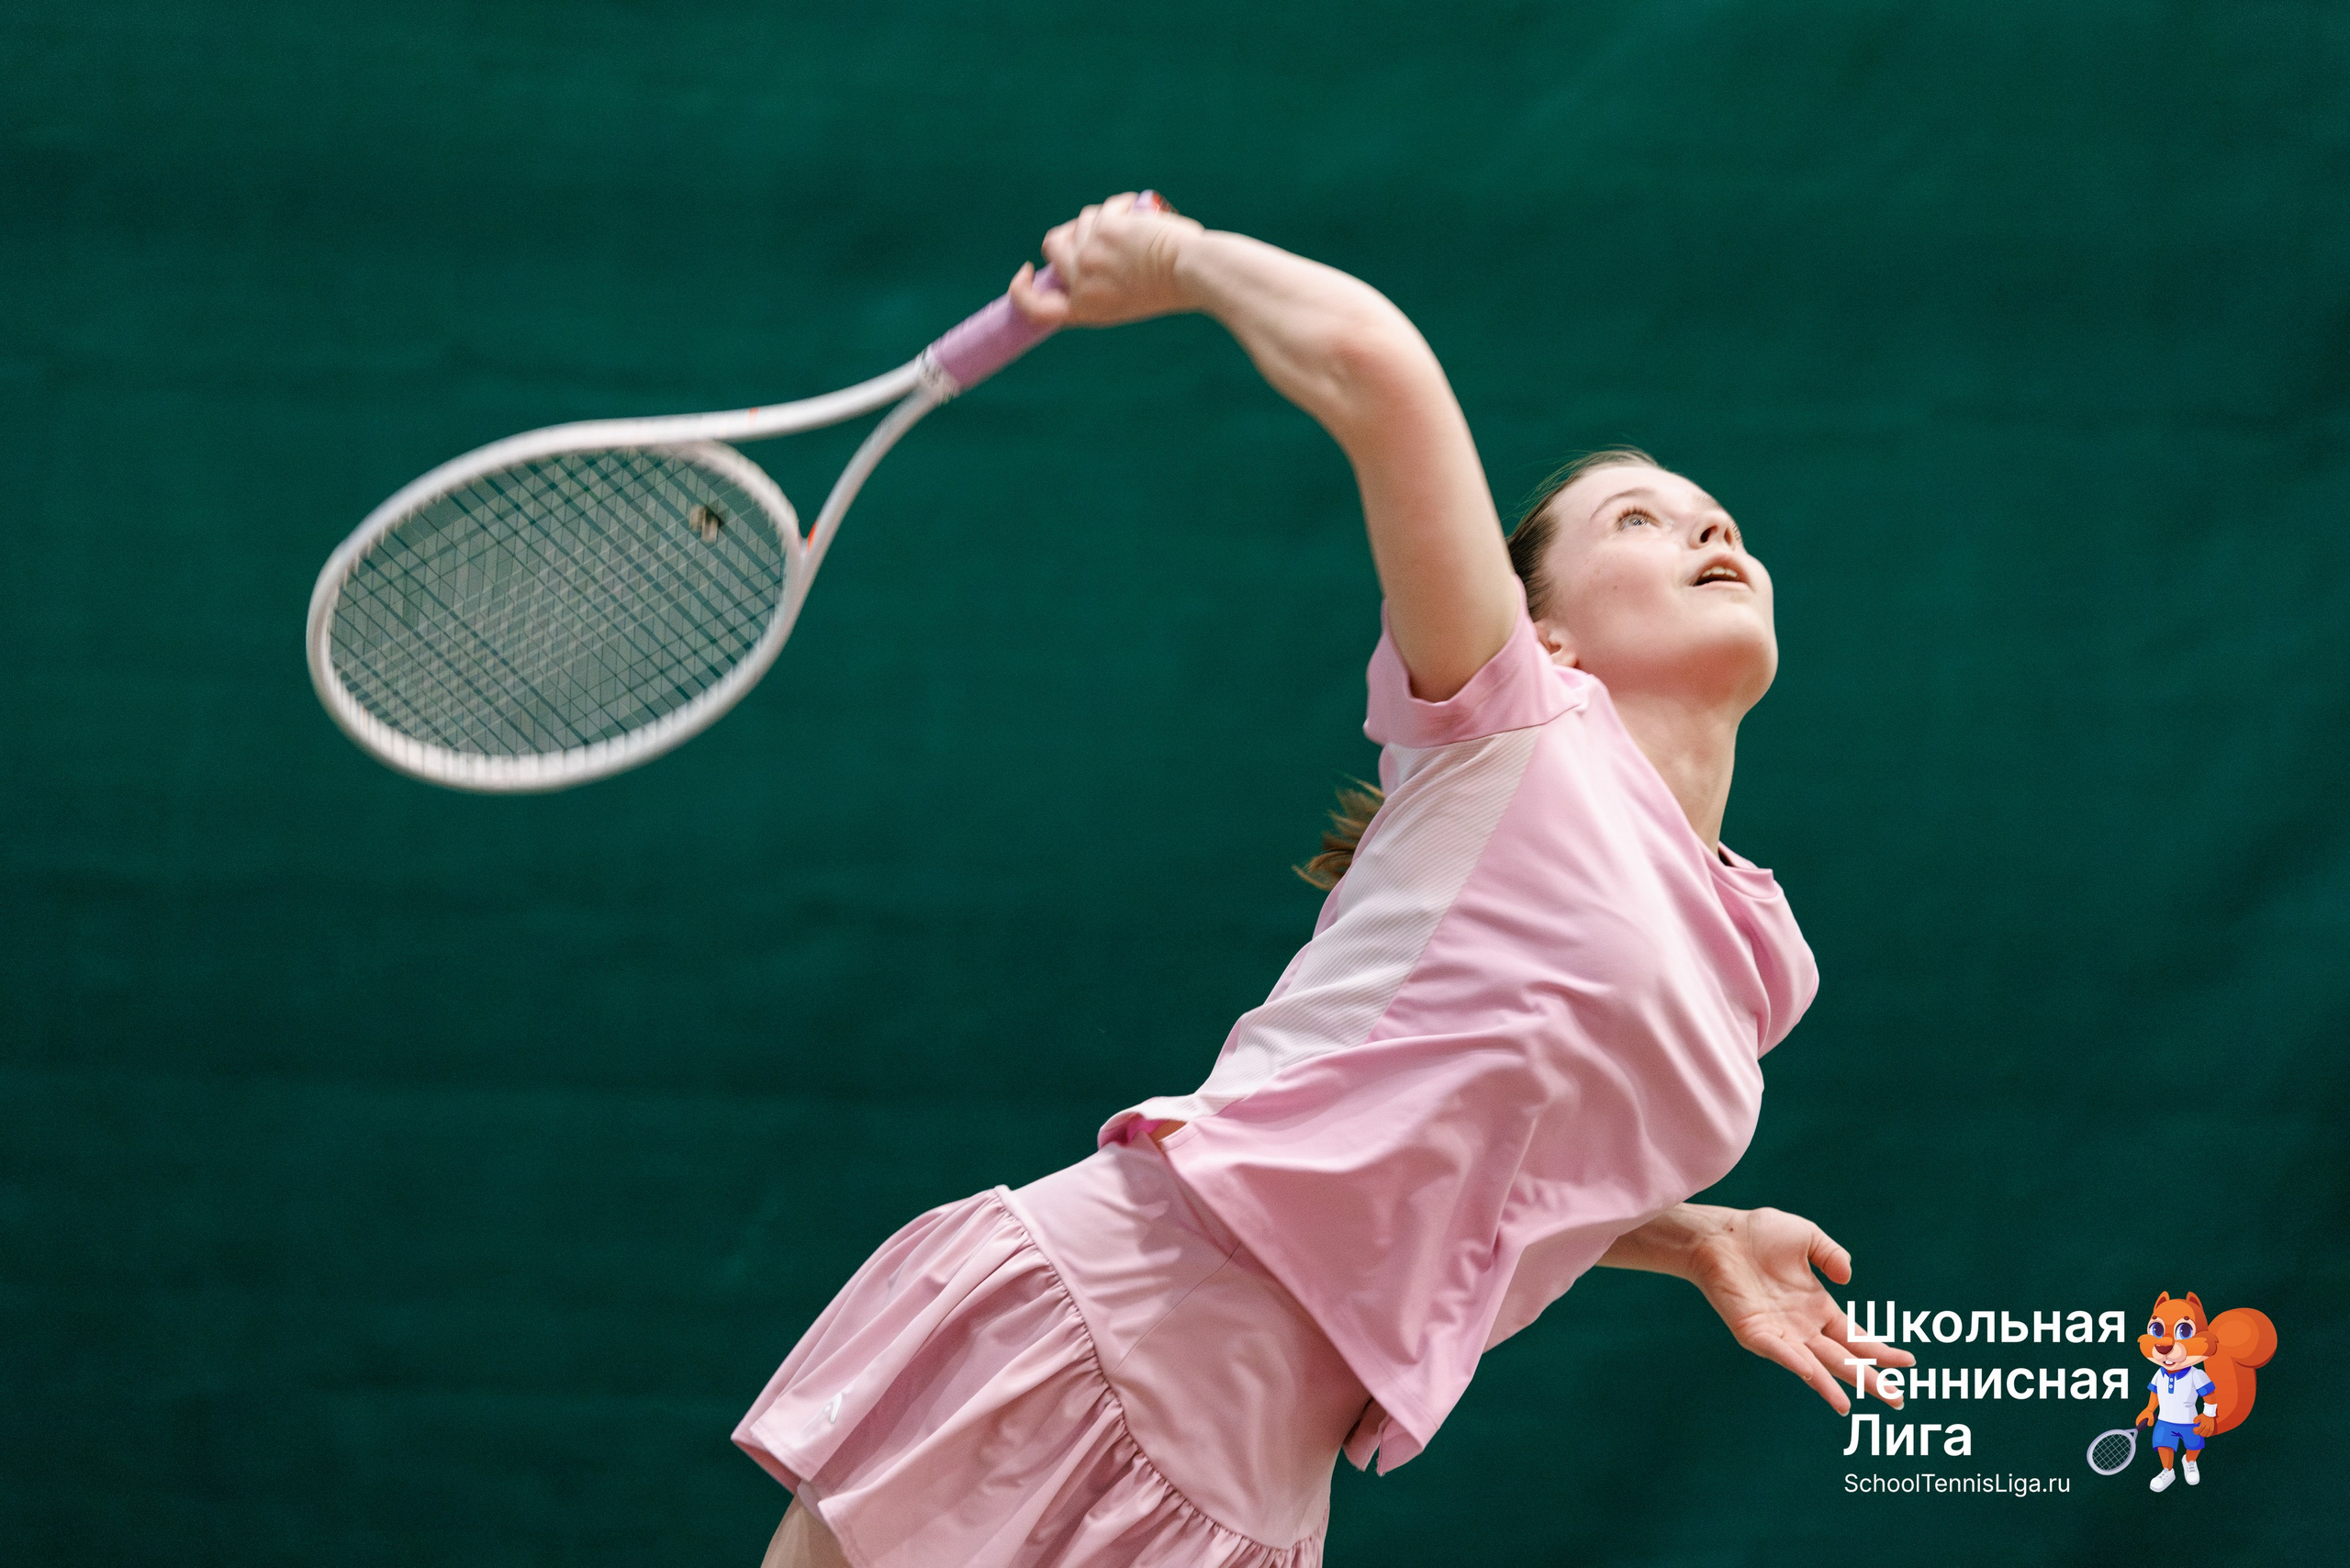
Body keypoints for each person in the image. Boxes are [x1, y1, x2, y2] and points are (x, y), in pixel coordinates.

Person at [733, 194, 1913, 1568]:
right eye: (1643, 521)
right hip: (1104, 1329)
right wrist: (1177, 262)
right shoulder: (1511, 719)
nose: (1713, 535)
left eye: (1720, 519)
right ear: (1547, 631)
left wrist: (1691, 1239)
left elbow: (1454, 1176)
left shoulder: (1760, 959)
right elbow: (1380, 372)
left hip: (1257, 1496)